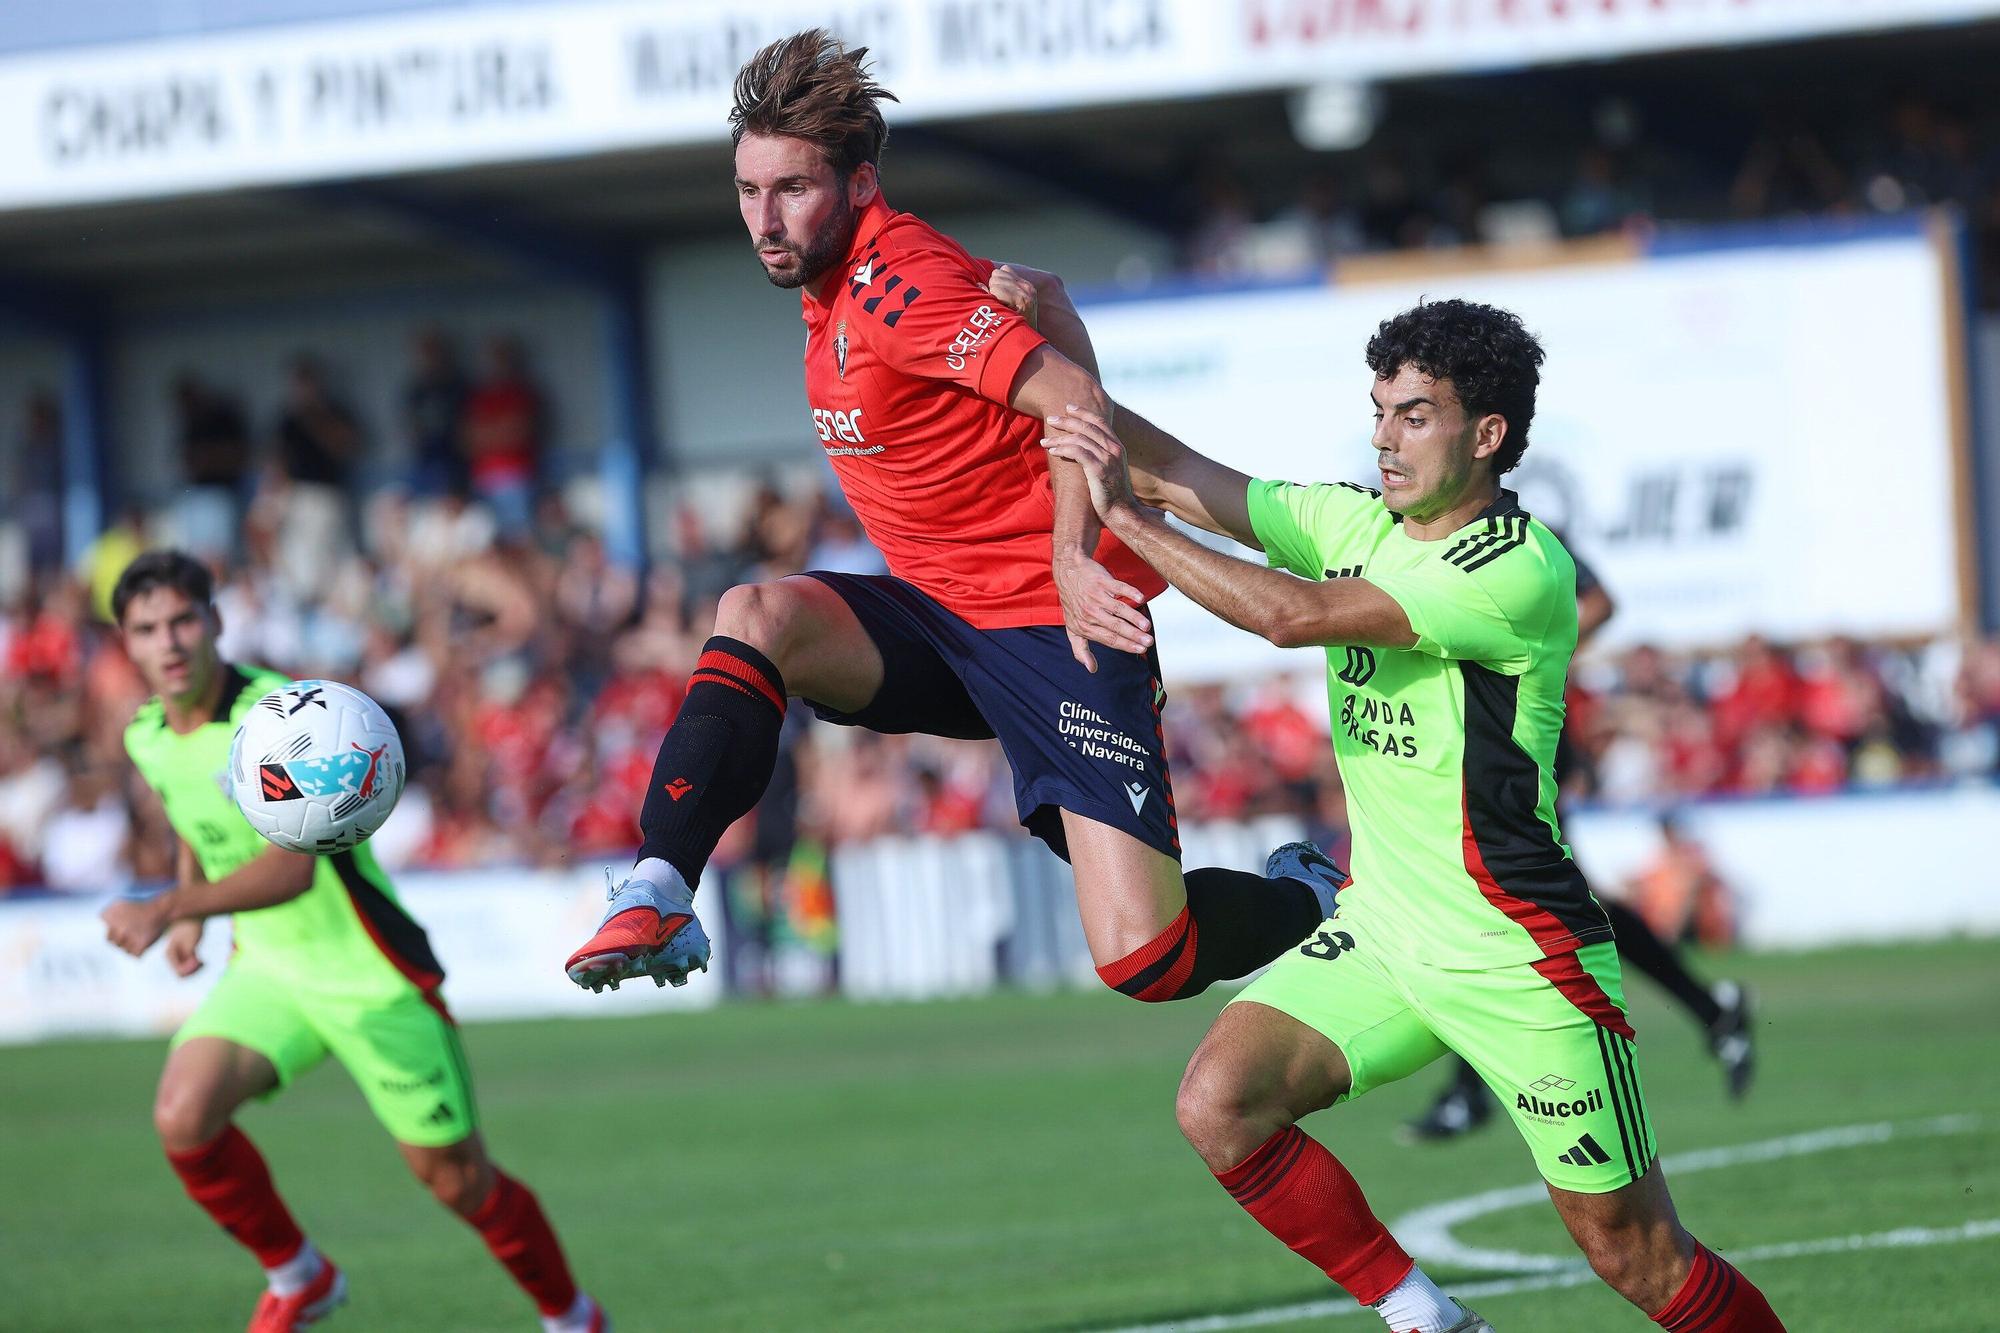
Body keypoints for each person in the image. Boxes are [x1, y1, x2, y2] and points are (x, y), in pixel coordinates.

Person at [1041, 299, 1787, 1331]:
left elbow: (1285, 616)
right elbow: (1165, 461)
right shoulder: (1351, 520)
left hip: (1516, 956)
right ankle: (1423, 1314)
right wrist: (1041, 355)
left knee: (1635, 1256)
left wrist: (1123, 523)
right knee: (1219, 1102)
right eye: (1379, 411)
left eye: (1416, 415)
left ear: (1486, 436)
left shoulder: (1516, 569)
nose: (1384, 437)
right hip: (1385, 929)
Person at [563, 30, 1341, 1010]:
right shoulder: (830, 290)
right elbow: (1092, 409)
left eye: (791, 189)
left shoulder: (898, 284)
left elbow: (1072, 400)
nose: (764, 217)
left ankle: (1308, 895)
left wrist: (1070, 553)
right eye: (748, 190)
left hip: (1057, 631)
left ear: (856, 184)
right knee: (753, 615)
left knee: (1148, 962)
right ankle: (658, 887)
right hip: (944, 622)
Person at [98, 551, 607, 1333]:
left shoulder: (285, 717)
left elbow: (291, 872)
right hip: (270, 969)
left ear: (216, 622)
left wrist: (172, 903)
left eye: (182, 620)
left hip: (371, 972)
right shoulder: (147, 736)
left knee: (456, 1180)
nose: (168, 642)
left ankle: (573, 1318)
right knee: (182, 1113)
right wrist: (195, 909)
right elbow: (190, 817)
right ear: (124, 643)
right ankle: (300, 1276)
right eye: (145, 629)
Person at [1403, 548, 1754, 1142]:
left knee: (1501, 901)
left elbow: (1599, 604)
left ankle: (1471, 1093)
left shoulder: (1526, 536)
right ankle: (1713, 1011)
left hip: (1512, 734)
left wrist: (1530, 646)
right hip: (1461, 739)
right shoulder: (1416, 537)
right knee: (1541, 904)